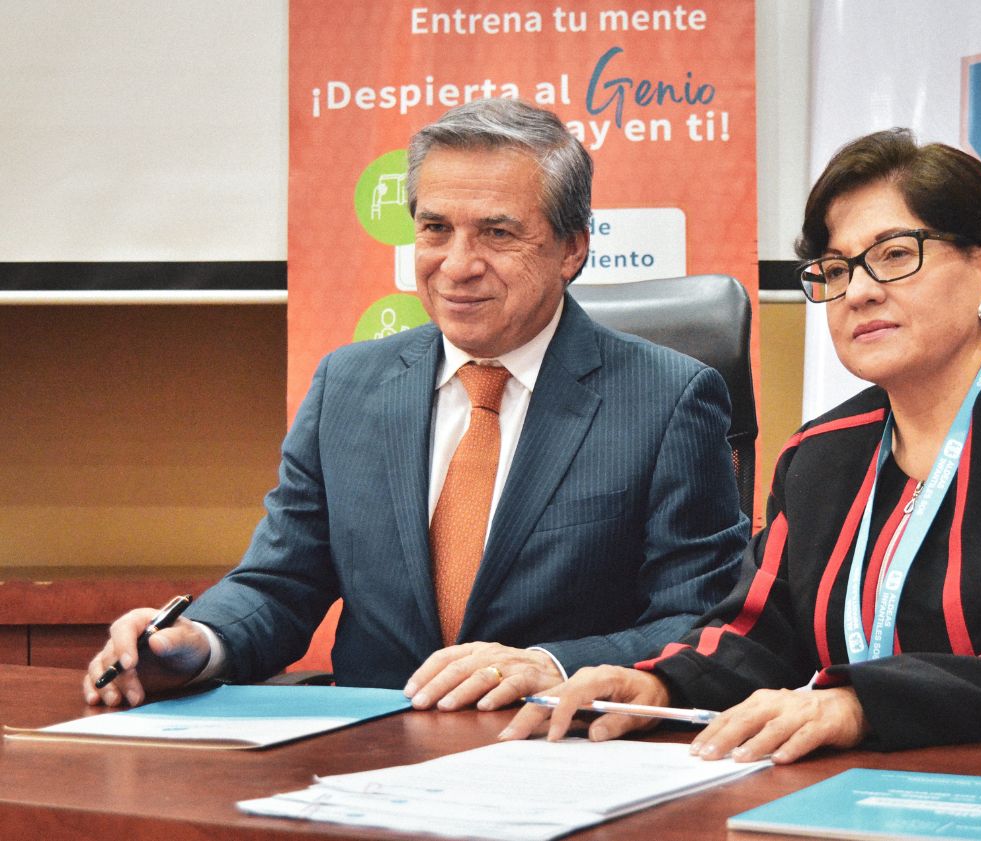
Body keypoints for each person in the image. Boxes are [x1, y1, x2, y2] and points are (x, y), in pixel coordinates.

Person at [502, 128, 981, 761]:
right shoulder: (822, 451)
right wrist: (658, 684)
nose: (857, 292)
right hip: (874, 788)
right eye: (834, 270)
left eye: (894, 255)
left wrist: (861, 704)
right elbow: (757, 634)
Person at [83, 98, 749, 711]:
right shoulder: (348, 385)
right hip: (367, 755)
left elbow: (700, 619)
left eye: (496, 233)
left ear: (572, 247)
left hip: (557, 747)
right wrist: (195, 642)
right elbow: (280, 583)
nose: (457, 264)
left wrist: (552, 665)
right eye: (435, 228)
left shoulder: (666, 399)